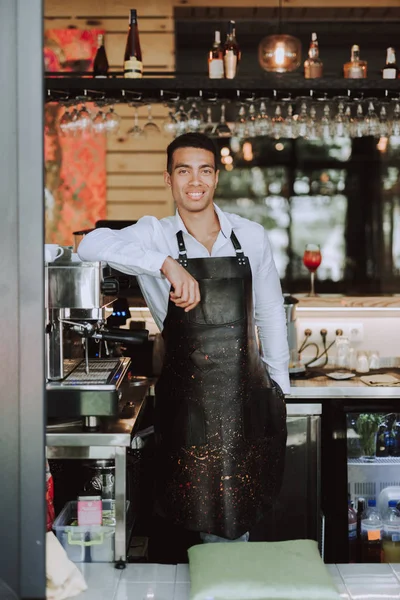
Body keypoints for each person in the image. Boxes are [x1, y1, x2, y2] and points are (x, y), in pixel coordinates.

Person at [78, 132, 290, 554]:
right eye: (184, 171)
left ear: (216, 178)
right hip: (186, 407)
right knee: (182, 524)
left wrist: (281, 390)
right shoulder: (153, 234)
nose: (195, 181)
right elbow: (89, 244)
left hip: (242, 404)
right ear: (169, 179)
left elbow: (269, 313)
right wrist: (165, 264)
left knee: (234, 527)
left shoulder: (250, 236)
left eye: (205, 171)